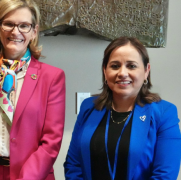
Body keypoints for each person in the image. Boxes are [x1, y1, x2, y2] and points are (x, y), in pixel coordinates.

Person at [0, 0, 66, 179]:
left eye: (24, 26)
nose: (15, 32)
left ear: (34, 31)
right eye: (8, 24)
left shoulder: (52, 77)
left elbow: (51, 141)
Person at [64, 37, 181, 179]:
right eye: (115, 66)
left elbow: (165, 175)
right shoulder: (89, 107)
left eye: (131, 66)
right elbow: (73, 164)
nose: (122, 73)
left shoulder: (164, 113)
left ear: (146, 71)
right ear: (105, 71)